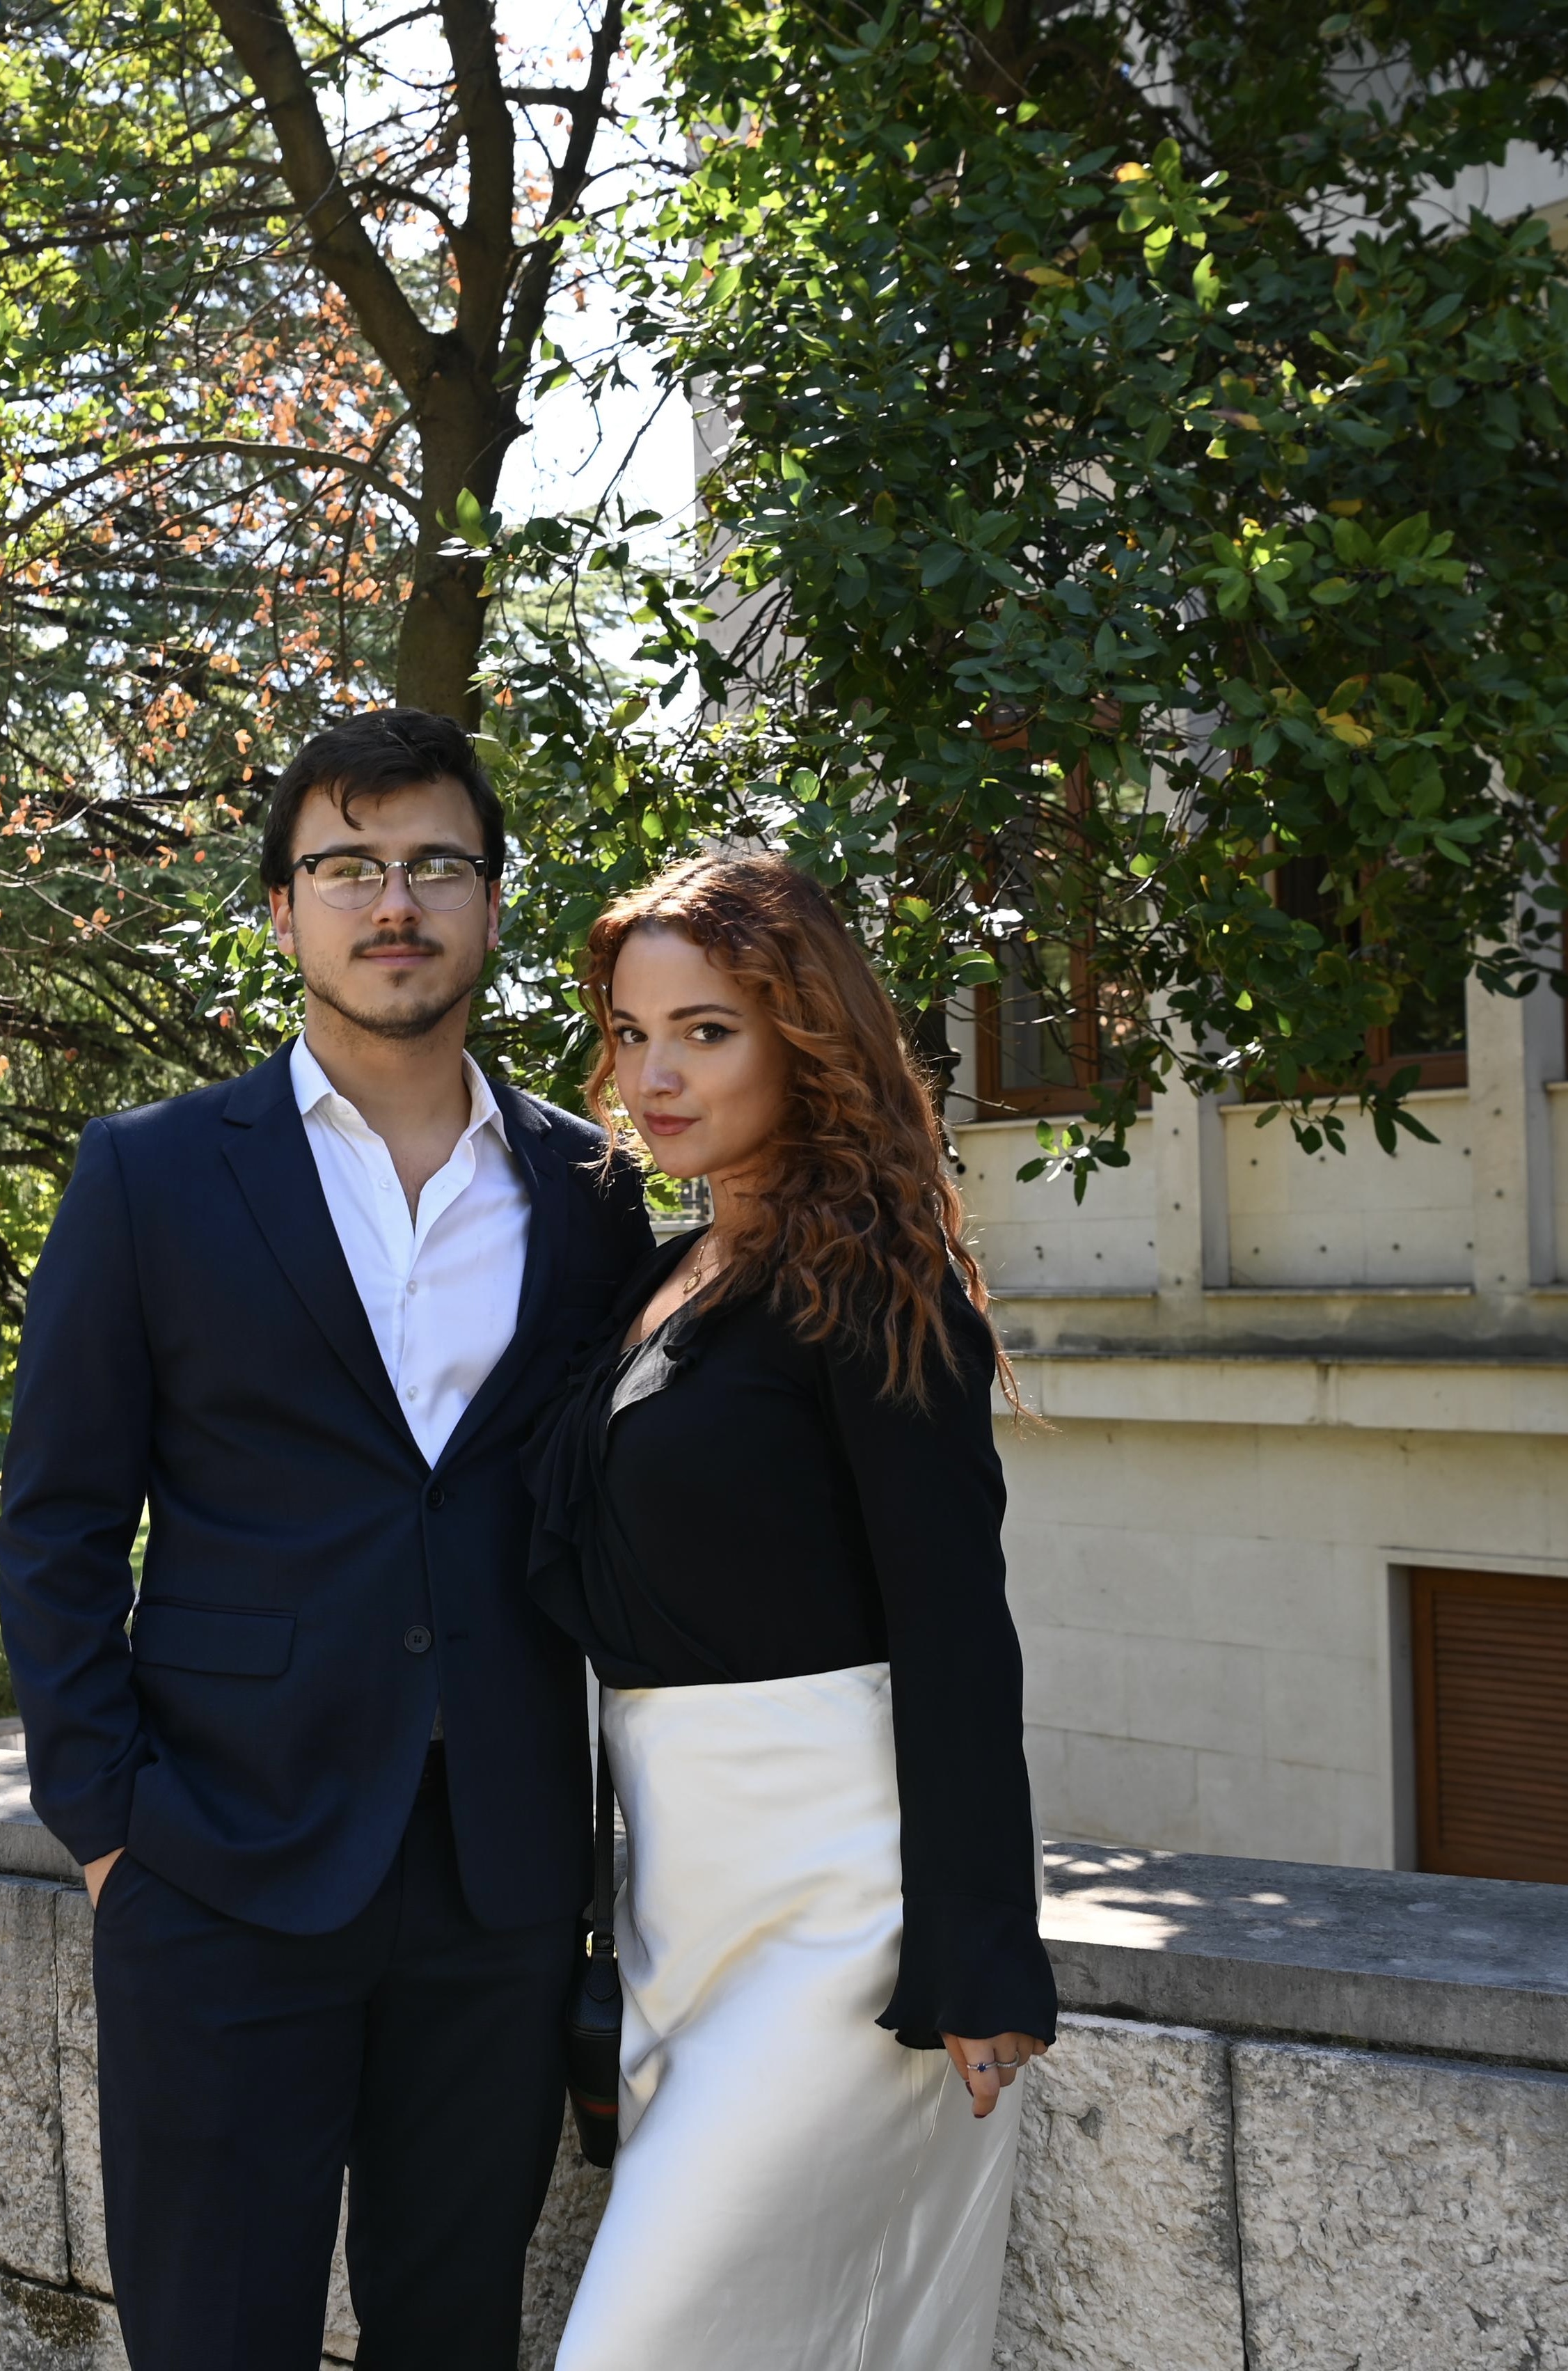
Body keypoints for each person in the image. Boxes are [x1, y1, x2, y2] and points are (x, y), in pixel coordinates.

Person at [0, 708, 657, 2371]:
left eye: (434, 862)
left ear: (491, 901)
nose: (394, 902)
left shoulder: (591, 1188)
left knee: (453, 2333)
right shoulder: (149, 1174)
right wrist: (105, 1821)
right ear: (284, 908)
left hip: (498, 1878)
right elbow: (59, 1515)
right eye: (347, 866)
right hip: (216, 1857)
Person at [525, 851, 1059, 2371]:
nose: (655, 1077)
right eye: (632, 1034)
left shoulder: (880, 1282)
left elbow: (956, 1619)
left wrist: (978, 1944)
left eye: (706, 1031)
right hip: (675, 1897)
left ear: (804, 1035)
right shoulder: (659, 1276)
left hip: (843, 1913)